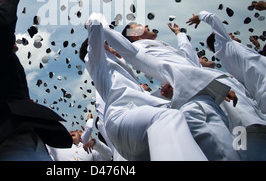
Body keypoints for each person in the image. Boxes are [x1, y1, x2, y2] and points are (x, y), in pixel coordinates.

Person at [102, 19, 240, 160]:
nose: (146, 25)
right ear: (133, 35)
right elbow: (113, 37)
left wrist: (213, 84)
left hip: (206, 96)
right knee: (226, 154)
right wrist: (98, 23)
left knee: (230, 151)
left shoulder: (161, 46)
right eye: (138, 26)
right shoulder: (137, 50)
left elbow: (189, 63)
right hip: (192, 103)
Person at [82, 13, 208, 161]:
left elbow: (138, 99)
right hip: (121, 117)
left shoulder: (122, 69)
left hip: (136, 121)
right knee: (167, 118)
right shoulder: (97, 60)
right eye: (106, 44)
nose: (111, 45)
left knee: (188, 123)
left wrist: (161, 94)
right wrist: (91, 21)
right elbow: (97, 24)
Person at [187, 10, 266, 160]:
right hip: (252, 119)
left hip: (262, 109)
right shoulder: (225, 45)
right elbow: (212, 18)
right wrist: (200, 16)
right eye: (229, 34)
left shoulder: (231, 66)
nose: (232, 35)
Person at [0, 0, 72, 161]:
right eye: (11, 38)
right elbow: (2, 28)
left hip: (23, 140)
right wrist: (9, 1)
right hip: (13, 145)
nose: (14, 40)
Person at [47, 129, 113, 161]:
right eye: (69, 132)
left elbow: (108, 155)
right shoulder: (57, 148)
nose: (72, 131)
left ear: (81, 139)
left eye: (75, 132)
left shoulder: (90, 149)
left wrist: (95, 143)